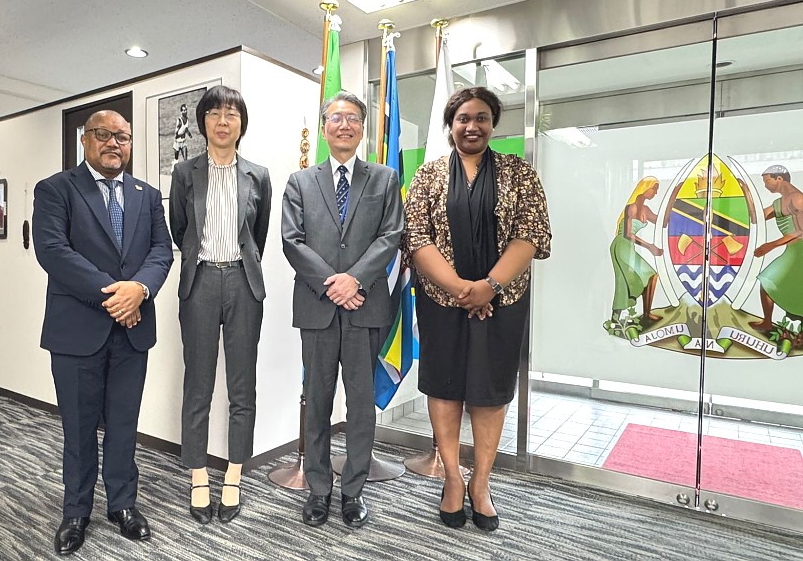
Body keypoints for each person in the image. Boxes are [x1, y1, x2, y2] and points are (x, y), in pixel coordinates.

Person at [403, 87, 551, 531]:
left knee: (490, 392)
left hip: (502, 301)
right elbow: (416, 238)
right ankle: (452, 479)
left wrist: (488, 287)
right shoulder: (428, 176)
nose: (472, 126)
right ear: (450, 125)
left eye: (481, 118)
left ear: (493, 124)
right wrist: (462, 290)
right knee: (445, 387)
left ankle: (481, 483)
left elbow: (532, 234)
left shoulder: (519, 173)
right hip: (441, 302)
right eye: (463, 118)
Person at [33, 110, 173, 555]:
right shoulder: (56, 189)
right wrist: (117, 297)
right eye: (104, 134)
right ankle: (76, 512)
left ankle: (123, 505)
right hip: (78, 331)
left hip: (133, 330)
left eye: (123, 137)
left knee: (124, 425)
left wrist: (140, 290)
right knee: (78, 428)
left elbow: (161, 250)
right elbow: (53, 251)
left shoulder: (147, 195)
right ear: (85, 139)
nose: (114, 143)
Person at [282, 91, 404, 528]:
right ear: (324, 127)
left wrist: (355, 279)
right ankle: (318, 490)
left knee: (360, 405)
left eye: (353, 118)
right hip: (317, 308)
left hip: (365, 307)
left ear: (362, 128)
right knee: (316, 401)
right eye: (336, 118)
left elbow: (391, 235)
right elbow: (291, 241)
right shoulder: (300, 182)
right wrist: (333, 285)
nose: (345, 125)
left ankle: (353, 491)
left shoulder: (384, 179)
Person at [169, 85, 272, 524]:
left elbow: (258, 234)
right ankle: (197, 475)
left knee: (242, 386)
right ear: (203, 123)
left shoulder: (258, 175)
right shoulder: (184, 172)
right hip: (201, 282)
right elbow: (180, 230)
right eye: (214, 113)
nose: (223, 121)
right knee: (198, 384)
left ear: (241, 124)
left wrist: (238, 266)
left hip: (244, 283)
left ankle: (233, 475)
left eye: (231, 114)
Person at [751, 165, 803, 331]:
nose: (766, 185)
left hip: (800, 252)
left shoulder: (798, 199)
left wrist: (771, 245)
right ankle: (767, 322)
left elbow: (801, 231)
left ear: (779, 178)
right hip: (792, 251)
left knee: (770, 280)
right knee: (767, 281)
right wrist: (747, 192)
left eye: (767, 181)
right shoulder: (779, 203)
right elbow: (756, 218)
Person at [608, 176, 665, 327]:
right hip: (621, 245)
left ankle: (646, 314)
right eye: (654, 189)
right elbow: (628, 234)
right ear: (646, 188)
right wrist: (650, 247)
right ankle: (616, 318)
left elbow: (663, 222)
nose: (655, 193)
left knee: (651, 276)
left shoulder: (646, 210)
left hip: (629, 247)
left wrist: (672, 199)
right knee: (622, 280)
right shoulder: (631, 207)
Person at [173, 103, 193, 169]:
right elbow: (176, 133)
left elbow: (186, 129)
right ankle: (173, 170)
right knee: (176, 160)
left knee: (185, 160)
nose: (185, 111)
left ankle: (186, 172)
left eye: (186, 110)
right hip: (177, 143)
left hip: (183, 142)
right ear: (181, 112)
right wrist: (181, 134)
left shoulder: (187, 119)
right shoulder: (179, 120)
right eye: (184, 110)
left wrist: (189, 134)